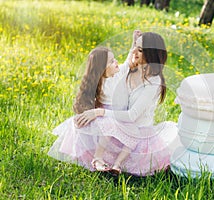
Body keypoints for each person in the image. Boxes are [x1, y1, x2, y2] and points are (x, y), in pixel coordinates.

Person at [48, 32, 179, 176]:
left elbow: (132, 116)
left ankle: (116, 165)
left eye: (140, 50)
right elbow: (127, 63)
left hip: (136, 129)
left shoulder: (154, 82)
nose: (135, 52)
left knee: (115, 131)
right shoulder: (130, 69)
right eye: (135, 47)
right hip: (119, 122)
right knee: (83, 125)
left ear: (151, 55)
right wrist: (133, 44)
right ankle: (98, 159)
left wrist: (99, 112)